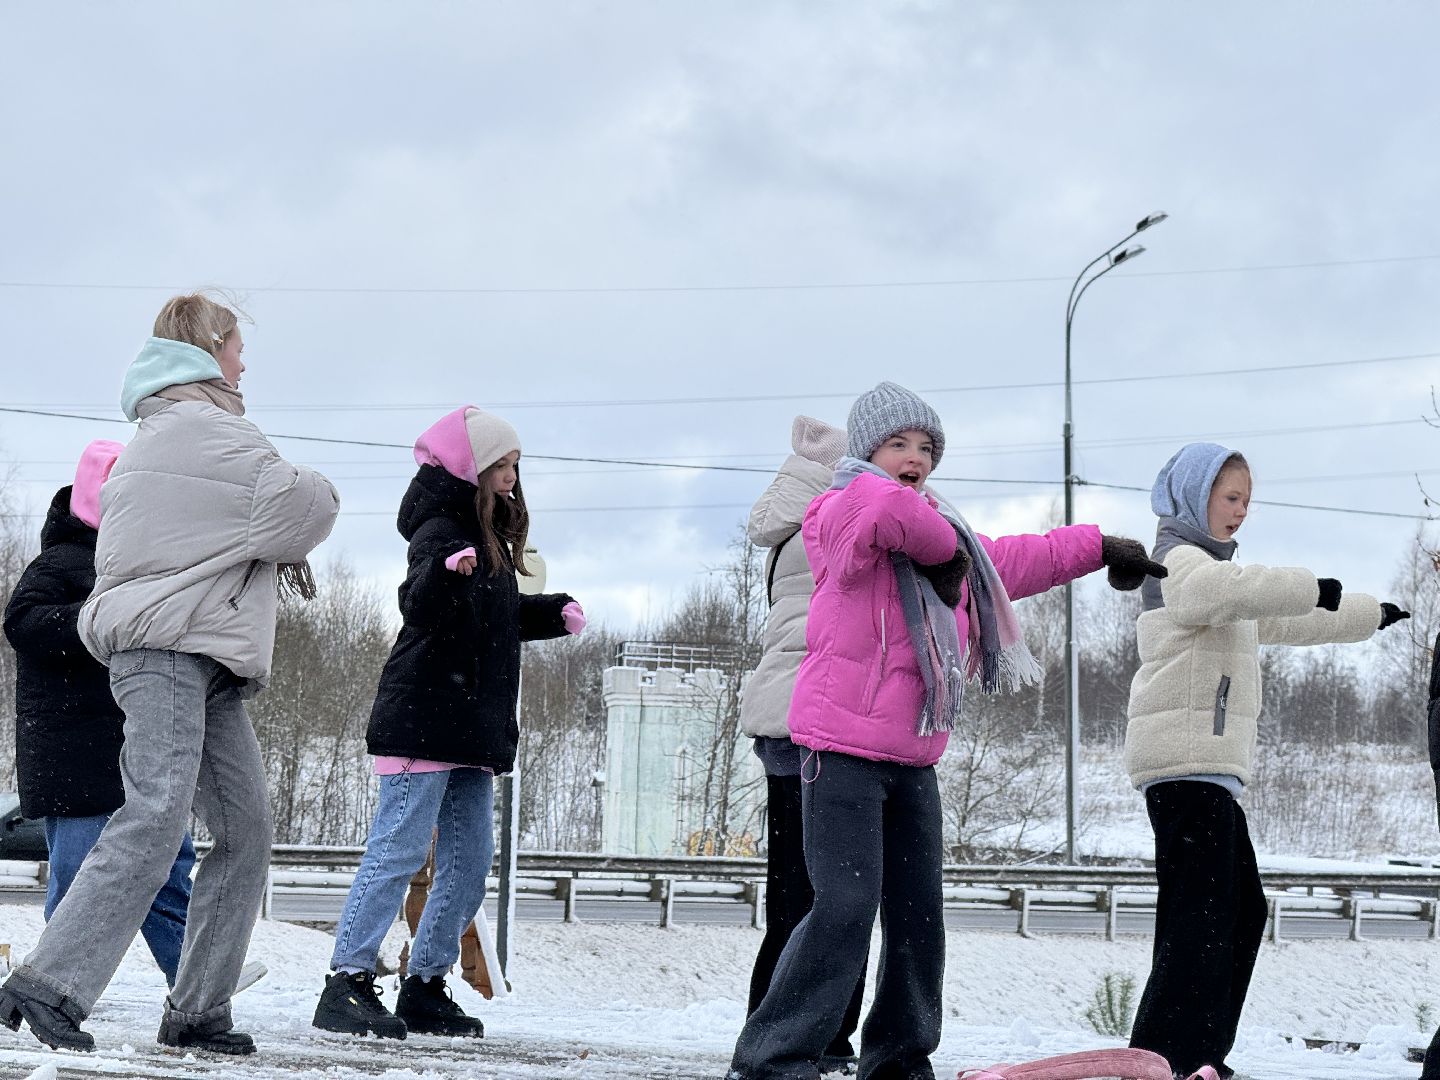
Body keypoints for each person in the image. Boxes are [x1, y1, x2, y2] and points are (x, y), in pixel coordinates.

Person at [728, 382, 1165, 1080]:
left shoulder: (950, 539)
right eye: (898, 444)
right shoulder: (836, 513)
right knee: (842, 909)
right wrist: (939, 549)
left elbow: (1017, 561)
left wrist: (1099, 545)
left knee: (917, 918)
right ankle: (770, 1061)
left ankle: (898, 1061)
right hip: (837, 752)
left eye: (926, 447)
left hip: (910, 757)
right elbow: (882, 509)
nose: (914, 458)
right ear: (865, 449)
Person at [0, 294, 340, 1055]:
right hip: (165, 653)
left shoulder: (172, 430)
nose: (245, 365)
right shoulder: (205, 430)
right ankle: (46, 984)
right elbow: (302, 509)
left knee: (246, 830)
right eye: (239, 348)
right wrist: (315, 482)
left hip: (204, 655)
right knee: (155, 817)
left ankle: (197, 1009)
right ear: (213, 346)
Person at [1123, 442, 1410, 1080]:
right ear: (1196, 498)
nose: (1242, 512)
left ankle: (1195, 1055)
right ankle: (1168, 1055)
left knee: (1240, 907)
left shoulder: (1221, 583)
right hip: (1182, 766)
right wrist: (1309, 581)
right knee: (1199, 914)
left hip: (1211, 771)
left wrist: (1368, 614)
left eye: (1248, 501)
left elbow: (1294, 620)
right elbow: (1219, 595)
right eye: (1231, 498)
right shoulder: (1175, 562)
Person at [312, 406, 582, 1041]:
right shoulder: (440, 527)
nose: (513, 477)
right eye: (503, 465)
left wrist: (548, 611)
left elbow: (492, 617)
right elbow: (419, 601)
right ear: (474, 469)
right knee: (401, 847)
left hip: (469, 727)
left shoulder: (486, 535)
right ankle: (345, 981)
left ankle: (426, 984)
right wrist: (443, 572)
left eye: (517, 464)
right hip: (422, 716)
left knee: (469, 858)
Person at [3, 440, 195, 986]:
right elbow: (23, 623)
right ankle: (49, 984)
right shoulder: (62, 561)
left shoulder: (140, 565)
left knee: (169, 869)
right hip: (74, 756)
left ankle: (193, 977)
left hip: (137, 748)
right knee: (79, 881)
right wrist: (100, 619)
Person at [740, 415, 866, 1076]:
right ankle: (814, 1033)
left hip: (784, 719)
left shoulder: (790, 527)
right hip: (821, 721)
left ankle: (782, 1024)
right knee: (828, 894)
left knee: (797, 890)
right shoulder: (837, 525)